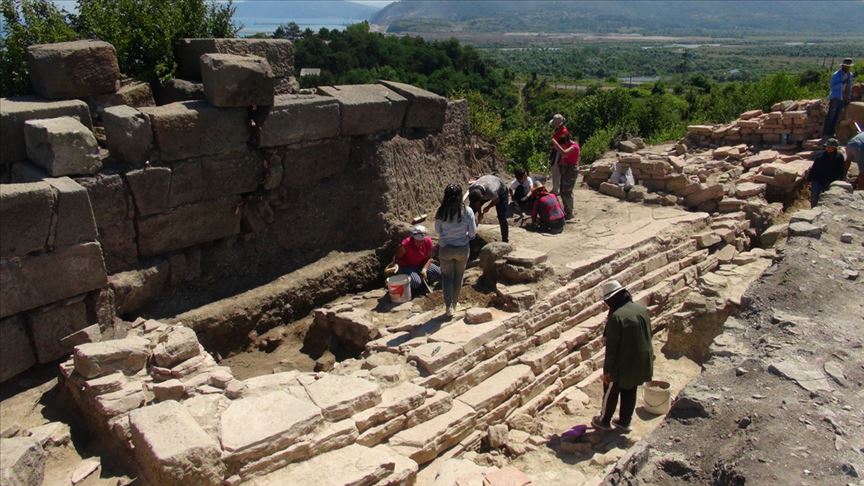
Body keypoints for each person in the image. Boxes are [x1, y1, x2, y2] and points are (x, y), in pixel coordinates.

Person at [592, 280, 654, 433]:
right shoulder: (641, 309)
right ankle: (625, 421)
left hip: (623, 363)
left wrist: (608, 371)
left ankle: (604, 420)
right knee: (630, 388)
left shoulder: (616, 317)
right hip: (642, 360)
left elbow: (612, 349)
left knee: (611, 389)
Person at [434, 183, 477, 318]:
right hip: (462, 249)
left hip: (445, 249)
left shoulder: (440, 211)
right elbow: (473, 233)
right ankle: (455, 303)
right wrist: (467, 237)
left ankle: (448, 307)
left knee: (446, 277)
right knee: (458, 277)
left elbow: (437, 231)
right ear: (460, 196)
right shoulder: (467, 211)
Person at [387, 225, 441, 295]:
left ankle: (423, 281)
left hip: (420, 264)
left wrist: (424, 269)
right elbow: (397, 257)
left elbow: (429, 258)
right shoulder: (406, 244)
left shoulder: (428, 242)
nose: (419, 242)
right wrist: (396, 265)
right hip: (407, 266)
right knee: (415, 282)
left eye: (421, 240)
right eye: (417, 240)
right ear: (413, 237)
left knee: (437, 272)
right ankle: (416, 285)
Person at [468, 174, 510, 243]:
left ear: (482, 197)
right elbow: (476, 203)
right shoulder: (471, 188)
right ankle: (470, 232)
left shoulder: (491, 191)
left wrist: (488, 207)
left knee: (501, 216)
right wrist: (479, 213)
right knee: (471, 210)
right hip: (486, 185)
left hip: (501, 192)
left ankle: (505, 240)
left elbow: (496, 200)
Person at [807, 138, 846, 207]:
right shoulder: (820, 155)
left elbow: (841, 169)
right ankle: (813, 210)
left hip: (830, 180)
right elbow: (814, 167)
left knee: (827, 198)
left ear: (835, 148)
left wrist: (840, 179)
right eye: (827, 147)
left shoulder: (839, 157)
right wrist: (809, 179)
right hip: (817, 179)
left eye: (831, 148)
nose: (828, 149)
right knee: (814, 197)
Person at [822, 58, 855, 138]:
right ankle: (826, 133)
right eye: (846, 66)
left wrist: (848, 97)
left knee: (838, 117)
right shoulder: (836, 75)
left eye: (848, 67)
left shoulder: (850, 75)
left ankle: (833, 132)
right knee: (831, 116)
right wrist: (842, 83)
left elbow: (849, 87)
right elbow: (832, 87)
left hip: (843, 98)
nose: (847, 68)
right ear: (842, 66)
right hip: (836, 98)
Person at [552, 134, 580, 220]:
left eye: (562, 145)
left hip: (571, 170)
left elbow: (564, 153)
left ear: (567, 142)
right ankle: (567, 210)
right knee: (562, 191)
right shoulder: (568, 146)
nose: (562, 147)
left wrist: (556, 144)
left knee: (567, 191)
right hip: (566, 169)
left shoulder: (574, 147)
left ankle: (569, 212)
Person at [548, 114, 569, 194]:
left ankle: (556, 190)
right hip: (556, 151)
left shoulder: (563, 132)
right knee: (555, 170)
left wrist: (554, 145)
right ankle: (555, 188)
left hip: (559, 153)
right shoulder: (558, 129)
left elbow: (562, 145)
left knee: (556, 171)